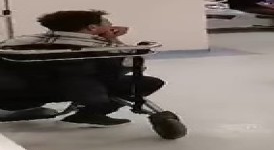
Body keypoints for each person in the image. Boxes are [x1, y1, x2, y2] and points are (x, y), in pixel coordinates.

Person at [0, 10, 164, 126]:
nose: (111, 25)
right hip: (80, 92)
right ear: (92, 28)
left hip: (16, 94)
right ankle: (92, 112)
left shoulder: (16, 42)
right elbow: (132, 65)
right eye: (107, 23)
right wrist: (113, 39)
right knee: (147, 82)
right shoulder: (99, 47)